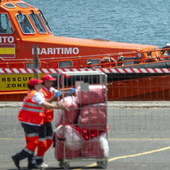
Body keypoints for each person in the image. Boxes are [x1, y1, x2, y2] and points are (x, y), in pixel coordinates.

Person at [11, 78, 65, 170]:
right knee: (34, 143)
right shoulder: (35, 94)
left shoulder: (37, 93)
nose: (41, 85)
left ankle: (31, 163)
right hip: (29, 121)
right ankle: (18, 157)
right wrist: (57, 106)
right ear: (35, 86)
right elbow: (44, 104)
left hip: (33, 121)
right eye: (39, 84)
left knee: (33, 142)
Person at [32, 74, 75, 168]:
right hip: (40, 119)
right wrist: (54, 97)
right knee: (42, 141)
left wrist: (69, 91)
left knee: (50, 140)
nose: (53, 82)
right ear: (46, 82)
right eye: (51, 81)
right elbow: (45, 103)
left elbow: (60, 92)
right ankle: (38, 160)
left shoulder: (50, 89)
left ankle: (38, 158)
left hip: (47, 119)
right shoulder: (40, 91)